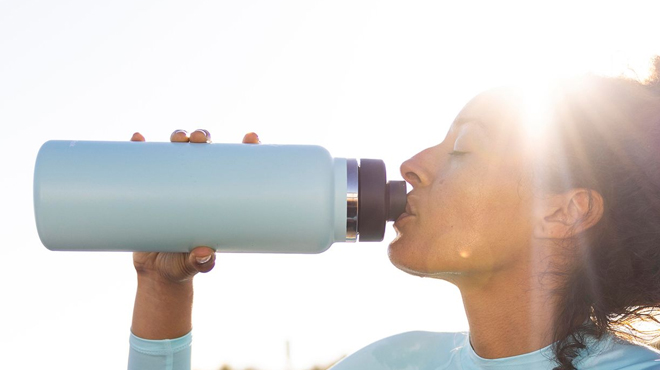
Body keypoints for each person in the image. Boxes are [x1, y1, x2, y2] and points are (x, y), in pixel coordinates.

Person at [127, 59, 660, 370]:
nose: (411, 166)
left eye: (465, 149)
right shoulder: (390, 362)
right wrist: (161, 288)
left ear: (564, 211)